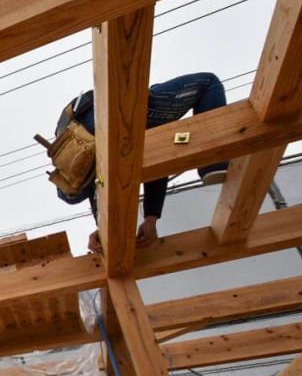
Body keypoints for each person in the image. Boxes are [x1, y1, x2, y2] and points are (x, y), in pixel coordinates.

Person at [50, 72, 229, 254]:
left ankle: (213, 164)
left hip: (99, 119)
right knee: (208, 83)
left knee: (155, 144)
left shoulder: (88, 174)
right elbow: (154, 158)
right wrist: (150, 218)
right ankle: (213, 164)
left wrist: (106, 232)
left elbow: (103, 197)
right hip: (113, 110)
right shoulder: (92, 172)